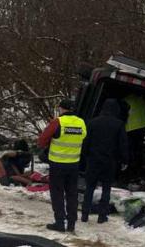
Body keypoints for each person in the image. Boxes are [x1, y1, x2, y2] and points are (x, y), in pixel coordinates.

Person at [38, 99, 87, 233]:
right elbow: (83, 138)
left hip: (57, 164)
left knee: (57, 194)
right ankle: (71, 224)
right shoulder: (81, 122)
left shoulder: (57, 122)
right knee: (72, 193)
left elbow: (42, 141)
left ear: (61, 109)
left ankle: (59, 223)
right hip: (73, 165)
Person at [81, 99, 129, 224]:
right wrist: (124, 160)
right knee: (106, 189)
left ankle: (85, 214)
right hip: (109, 161)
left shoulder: (91, 122)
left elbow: (85, 142)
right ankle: (102, 216)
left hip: (93, 160)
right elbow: (122, 144)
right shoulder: (119, 124)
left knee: (89, 187)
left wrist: (84, 156)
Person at [123, 94, 145, 175]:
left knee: (130, 148)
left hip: (131, 128)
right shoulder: (140, 99)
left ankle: (129, 167)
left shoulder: (125, 100)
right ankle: (137, 166)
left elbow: (122, 116)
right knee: (138, 147)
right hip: (143, 127)